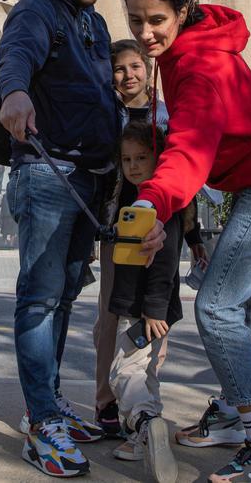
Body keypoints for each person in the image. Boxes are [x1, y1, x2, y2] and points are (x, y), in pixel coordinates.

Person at [126, 0, 251, 483]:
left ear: (181, 12)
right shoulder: (187, 50)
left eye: (156, 20)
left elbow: (189, 150)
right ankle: (233, 414)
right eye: (136, 20)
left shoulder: (199, 68)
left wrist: (151, 202)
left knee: (217, 307)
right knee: (243, 307)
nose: (145, 33)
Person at [0, 0, 121, 478]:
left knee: (64, 296)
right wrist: (14, 92)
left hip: (88, 178)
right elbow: (14, 56)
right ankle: (42, 422)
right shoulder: (38, 10)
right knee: (40, 299)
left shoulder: (93, 22)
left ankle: (51, 404)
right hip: (48, 173)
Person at [92, 39, 188, 440]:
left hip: (163, 221)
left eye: (134, 67)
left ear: (147, 70)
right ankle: (107, 402)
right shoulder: (106, 113)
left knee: (154, 314)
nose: (127, 75)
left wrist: (193, 232)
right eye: (119, 68)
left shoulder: (166, 116)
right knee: (111, 317)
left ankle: (144, 397)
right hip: (119, 226)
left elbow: (185, 171)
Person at [107, 122, 191, 483]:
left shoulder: (155, 206)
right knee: (148, 373)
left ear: (159, 159)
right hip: (151, 309)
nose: (134, 165)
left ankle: (144, 423)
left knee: (123, 372)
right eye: (127, 159)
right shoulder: (135, 200)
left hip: (143, 309)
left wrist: (154, 307)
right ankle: (144, 437)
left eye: (142, 157)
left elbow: (167, 259)